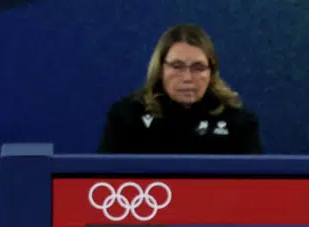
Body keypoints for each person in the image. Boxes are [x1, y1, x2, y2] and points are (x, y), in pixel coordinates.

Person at [98, 24, 263, 154]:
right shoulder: (127, 117)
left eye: (198, 68)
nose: (187, 78)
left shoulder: (239, 122)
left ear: (211, 72)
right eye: (177, 66)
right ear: (160, 69)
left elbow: (255, 187)